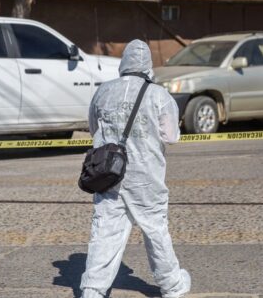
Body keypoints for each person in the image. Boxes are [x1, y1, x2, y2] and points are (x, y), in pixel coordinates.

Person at [80, 40, 191, 298]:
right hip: (146, 178)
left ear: (124, 63)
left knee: (105, 233)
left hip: (109, 177)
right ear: (148, 65)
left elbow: (94, 129)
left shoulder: (103, 92)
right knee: (156, 232)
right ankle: (172, 286)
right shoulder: (160, 96)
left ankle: (93, 290)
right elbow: (171, 136)